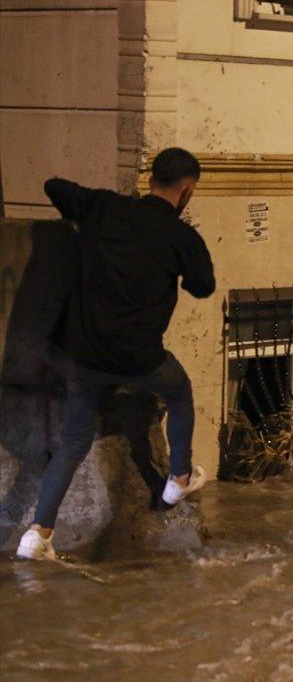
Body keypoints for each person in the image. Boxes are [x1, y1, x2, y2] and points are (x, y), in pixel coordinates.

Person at [16, 148, 216, 561]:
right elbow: (203, 286)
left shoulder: (103, 207)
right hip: (139, 360)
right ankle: (178, 476)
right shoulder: (181, 237)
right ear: (187, 190)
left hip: (84, 356)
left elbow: (53, 186)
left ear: (151, 179)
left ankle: (38, 533)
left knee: (73, 442)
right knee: (179, 393)